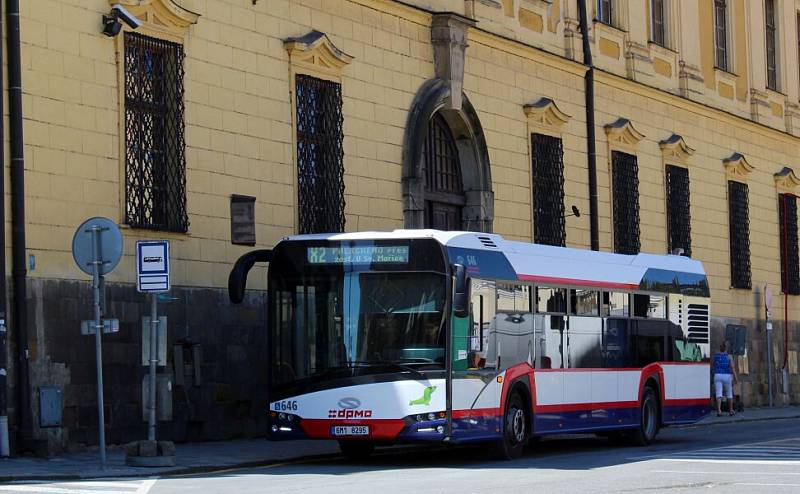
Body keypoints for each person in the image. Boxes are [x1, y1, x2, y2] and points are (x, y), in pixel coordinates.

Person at [713, 341, 738, 416]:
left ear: (720, 348)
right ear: (726, 348)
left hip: (717, 375)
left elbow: (713, 366)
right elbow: (732, 368)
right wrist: (736, 378)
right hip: (727, 375)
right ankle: (731, 410)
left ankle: (719, 411)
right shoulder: (729, 356)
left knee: (718, 393)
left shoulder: (716, 356)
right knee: (729, 393)